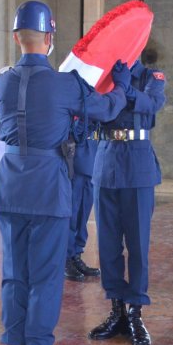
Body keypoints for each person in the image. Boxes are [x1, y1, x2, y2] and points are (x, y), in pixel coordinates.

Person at [0, 1, 129, 345]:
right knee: (45, 279)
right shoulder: (66, 84)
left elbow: (1, 128)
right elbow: (106, 108)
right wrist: (119, 83)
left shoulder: (0, 83)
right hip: (47, 188)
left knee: (14, 276)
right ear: (49, 39)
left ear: (17, 37)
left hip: (10, 186)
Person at [88, 57, 166, 345]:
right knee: (107, 245)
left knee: (137, 244)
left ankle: (135, 312)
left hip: (137, 164)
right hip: (106, 161)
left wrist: (125, 89)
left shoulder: (151, 76)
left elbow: (152, 104)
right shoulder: (105, 75)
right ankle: (116, 309)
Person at [63, 118, 101, 282]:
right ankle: (66, 258)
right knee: (72, 214)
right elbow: (75, 131)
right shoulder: (74, 96)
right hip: (76, 162)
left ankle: (76, 255)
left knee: (83, 216)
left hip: (91, 161)